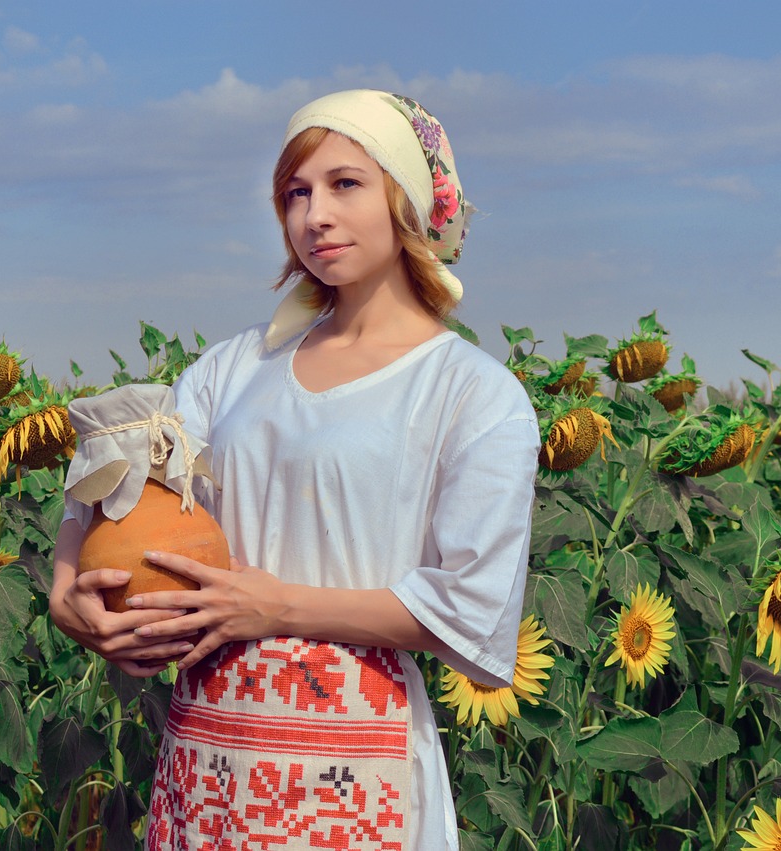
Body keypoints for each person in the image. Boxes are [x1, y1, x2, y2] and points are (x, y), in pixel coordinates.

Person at [49, 89, 539, 849]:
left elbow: (471, 610)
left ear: (405, 198)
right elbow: (122, 477)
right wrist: (65, 583)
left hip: (355, 759)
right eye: (295, 193)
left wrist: (281, 608)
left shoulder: (473, 393)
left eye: (346, 184)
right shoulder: (237, 367)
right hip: (209, 752)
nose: (315, 215)